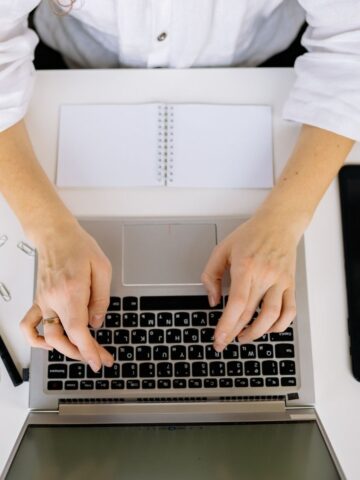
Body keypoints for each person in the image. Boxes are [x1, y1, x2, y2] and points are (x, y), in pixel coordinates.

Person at [0, 1, 357, 373]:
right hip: (74, 63)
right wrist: (48, 230)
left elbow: (351, 40)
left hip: (261, 66)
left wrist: (285, 220)